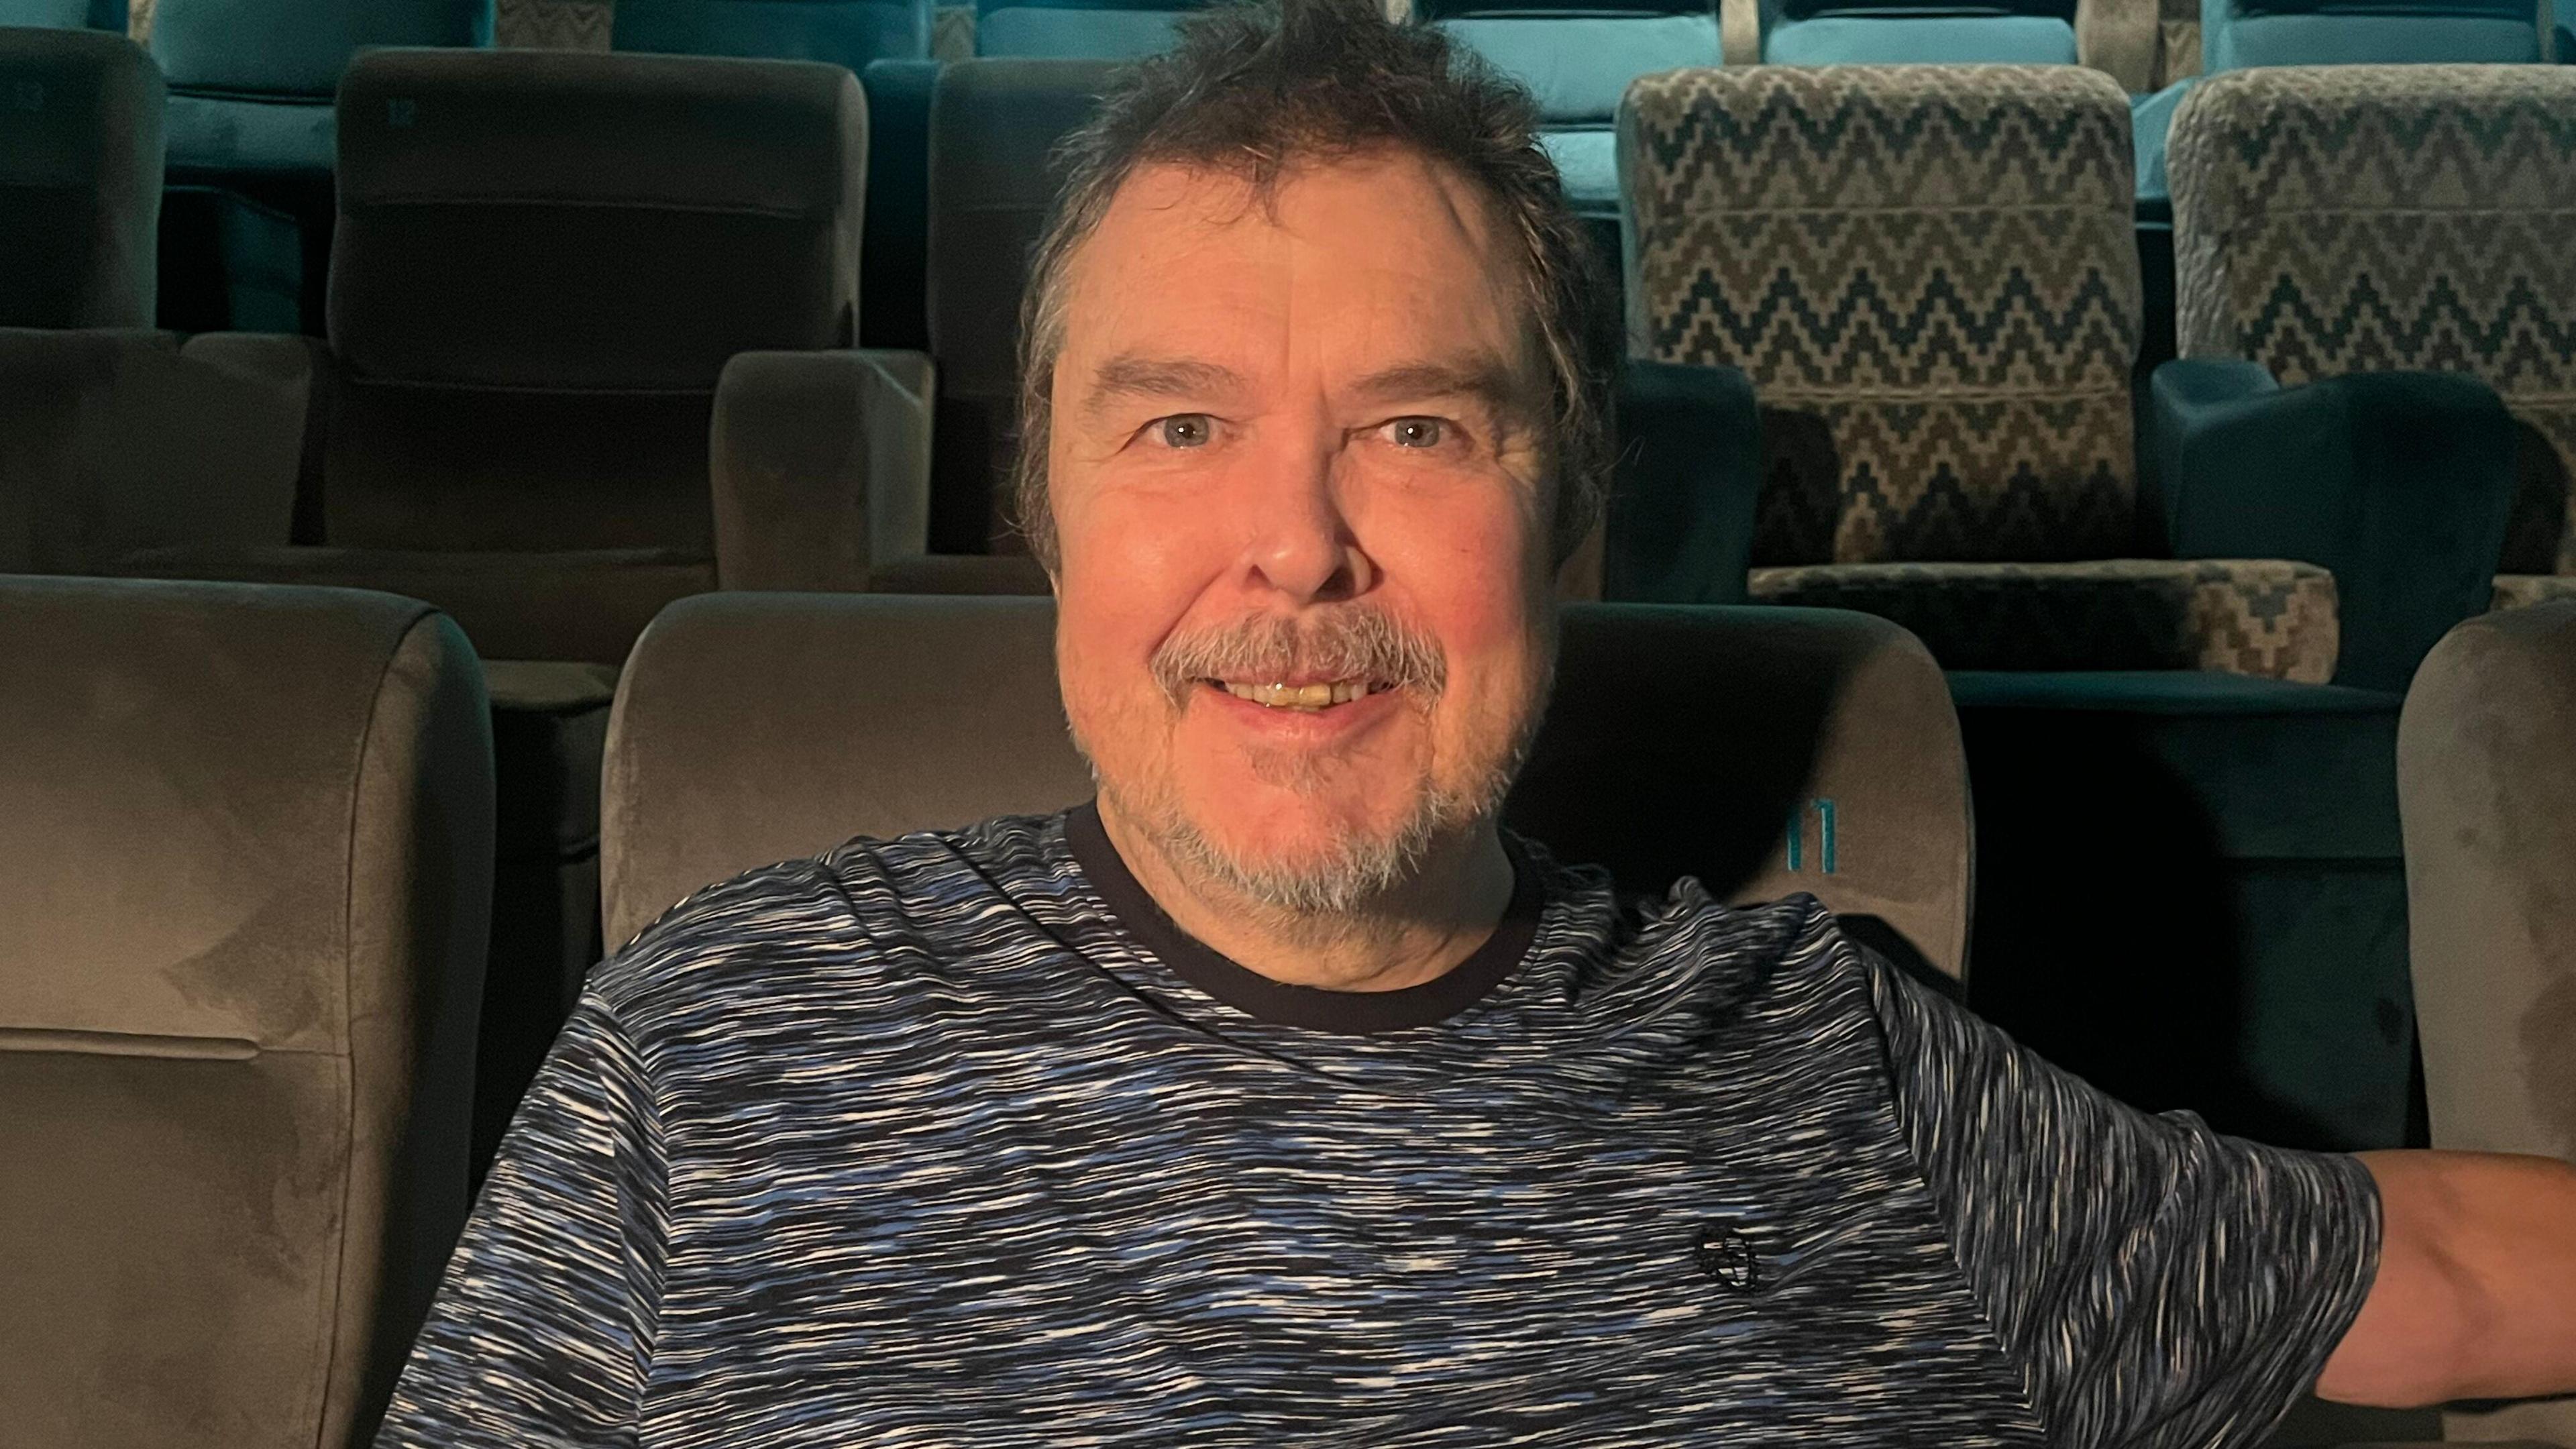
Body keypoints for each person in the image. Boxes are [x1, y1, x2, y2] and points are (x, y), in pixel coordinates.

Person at [375, 0, 2576, 1442]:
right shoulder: (717, 1042)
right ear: (1045, 512)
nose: (1300, 550)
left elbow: (2436, 1270)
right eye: (1180, 429)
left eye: (1418, 429)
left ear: (1577, 521)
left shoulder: (1828, 1059)